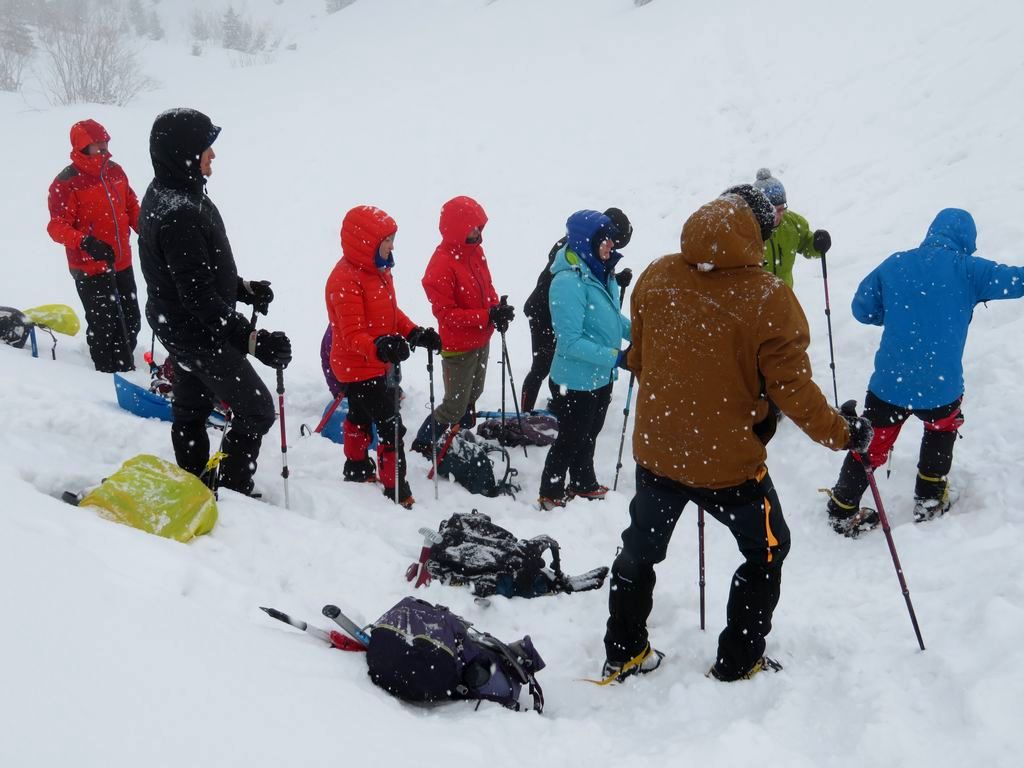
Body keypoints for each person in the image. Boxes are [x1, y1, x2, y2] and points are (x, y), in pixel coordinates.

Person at [600, 191, 872, 684]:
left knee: (639, 549)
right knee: (768, 548)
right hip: (727, 466)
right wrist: (843, 433)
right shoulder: (767, 296)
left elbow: (639, 359)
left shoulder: (657, 275)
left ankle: (624, 650)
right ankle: (739, 659)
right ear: (758, 233)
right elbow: (793, 390)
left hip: (659, 452)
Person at [825, 208, 1024, 535]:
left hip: (889, 386)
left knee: (871, 443)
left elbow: (861, 308)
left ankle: (842, 507)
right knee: (941, 431)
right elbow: (1017, 280)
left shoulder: (896, 264)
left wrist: (894, 316)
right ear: (967, 241)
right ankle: (929, 499)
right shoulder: (970, 270)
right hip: (940, 388)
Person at [137, 108, 291, 496]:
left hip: (177, 325)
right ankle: (233, 489)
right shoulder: (180, 213)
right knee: (256, 410)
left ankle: (195, 481)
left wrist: (242, 288)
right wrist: (254, 341)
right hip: (198, 333)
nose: (213, 155)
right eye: (207, 146)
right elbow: (198, 297)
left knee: (192, 405)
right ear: (185, 151)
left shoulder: (172, 192)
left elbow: (192, 274)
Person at [325, 205, 441, 508]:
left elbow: (390, 314)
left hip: (375, 362)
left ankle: (357, 468)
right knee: (390, 425)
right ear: (365, 242)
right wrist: (380, 347)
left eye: (392, 239)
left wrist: (414, 332)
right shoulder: (344, 280)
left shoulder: (379, 271)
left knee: (361, 416)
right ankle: (396, 490)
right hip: (358, 366)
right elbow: (352, 335)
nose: (391, 246)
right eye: (386, 240)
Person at [537, 210, 630, 510]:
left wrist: (640, 331)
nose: (611, 247)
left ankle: (582, 481)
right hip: (575, 378)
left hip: (599, 374)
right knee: (571, 438)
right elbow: (570, 341)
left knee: (589, 433)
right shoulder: (567, 282)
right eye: (605, 240)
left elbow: (612, 318)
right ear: (585, 241)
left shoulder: (599, 270)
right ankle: (550, 492)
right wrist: (617, 358)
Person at [412, 196, 513, 453]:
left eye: (479, 226)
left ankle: (455, 435)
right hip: (458, 346)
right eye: (472, 226)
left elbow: (486, 287)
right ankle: (423, 443)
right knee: (454, 405)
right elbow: (447, 315)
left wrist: (496, 310)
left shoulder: (475, 250)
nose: (477, 231)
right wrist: (486, 316)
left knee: (473, 394)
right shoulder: (440, 265)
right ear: (457, 227)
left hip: (482, 339)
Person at [47, 119, 142, 372]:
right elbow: (56, 227)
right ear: (81, 147)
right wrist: (86, 242)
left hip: (121, 262)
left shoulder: (115, 171)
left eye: (104, 143)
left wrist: (148, 230)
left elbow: (131, 206)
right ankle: (104, 375)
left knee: (131, 322)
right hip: (89, 268)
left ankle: (125, 366)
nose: (102, 149)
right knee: (106, 326)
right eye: (96, 145)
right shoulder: (66, 183)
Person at [521, 208, 633, 413]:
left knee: (564, 356)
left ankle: (559, 406)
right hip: (543, 312)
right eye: (613, 240)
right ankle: (526, 415)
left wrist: (615, 280)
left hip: (567, 311)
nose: (613, 247)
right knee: (542, 365)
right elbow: (575, 281)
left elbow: (591, 283)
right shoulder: (574, 246)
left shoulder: (592, 245)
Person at [753, 168, 831, 288]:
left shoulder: (793, 224)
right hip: (754, 298)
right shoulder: (747, 229)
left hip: (785, 295)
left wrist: (816, 245)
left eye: (780, 209)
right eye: (771, 211)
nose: (777, 216)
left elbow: (806, 246)